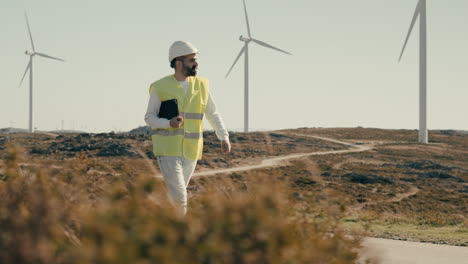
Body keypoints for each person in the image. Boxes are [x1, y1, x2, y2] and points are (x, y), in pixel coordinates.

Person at [144, 40, 231, 215]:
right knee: (180, 196)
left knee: (175, 196)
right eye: (191, 60)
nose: (196, 63)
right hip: (168, 151)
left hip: (191, 151)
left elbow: (212, 113)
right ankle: (180, 234)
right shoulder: (160, 87)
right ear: (178, 62)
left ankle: (160, 227)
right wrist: (168, 123)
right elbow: (149, 117)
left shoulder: (201, 85)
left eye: (195, 59)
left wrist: (224, 137)